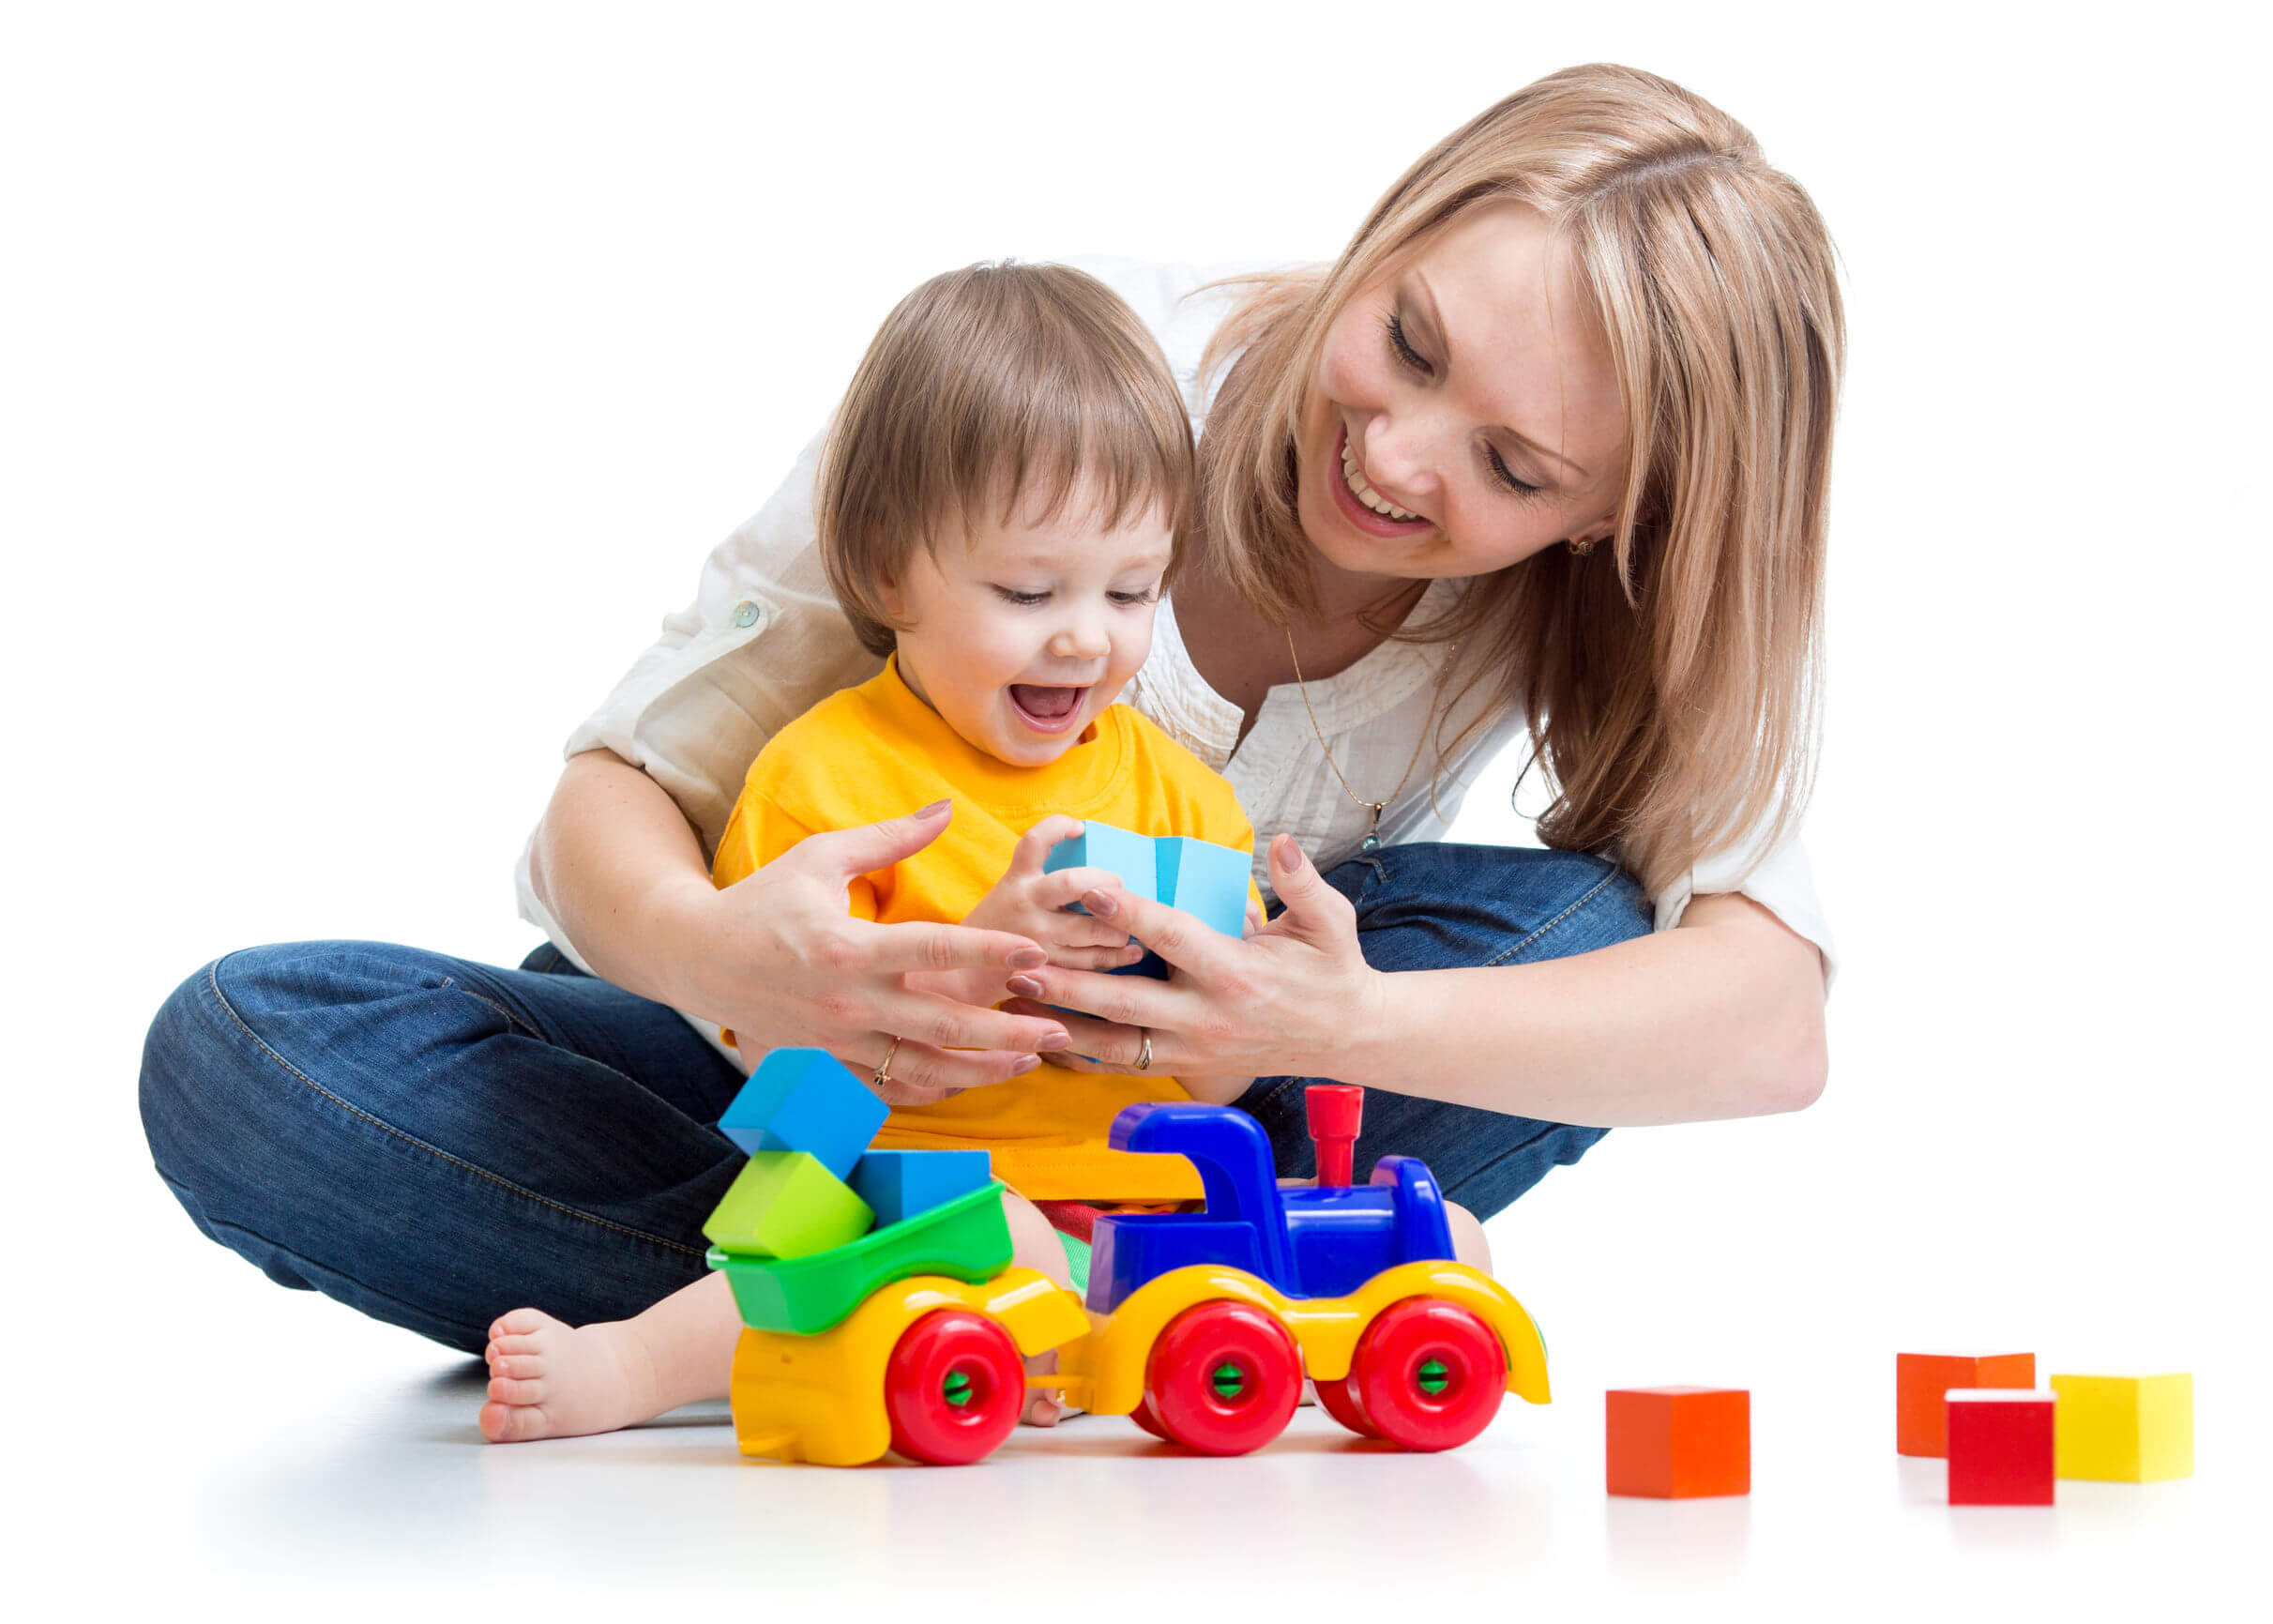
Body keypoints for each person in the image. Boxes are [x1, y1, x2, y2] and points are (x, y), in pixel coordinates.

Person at [139, 65, 1840, 1386]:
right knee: (252, 1052)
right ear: (1389, 228)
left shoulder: (1610, 603)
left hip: (1160, 1118)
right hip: (793, 1067)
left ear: (1617, 517)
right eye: (1404, 342)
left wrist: (1336, 1013)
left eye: (1513, 470)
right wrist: (736, 966)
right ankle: (923, 1289)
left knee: (1570, 933)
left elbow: (1764, 1027)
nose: (1398, 457)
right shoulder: (1053, 385)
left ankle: (890, 1310)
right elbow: (613, 799)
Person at [477, 259, 1500, 1442]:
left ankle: (1107, 1336)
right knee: (978, 1234)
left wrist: (1254, 1003)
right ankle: (637, 1367)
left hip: (1125, 1185)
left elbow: (1215, 1086)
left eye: (1130, 590)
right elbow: (783, 1084)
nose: (1083, 637)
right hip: (893, 1180)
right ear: (880, 570)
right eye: (1026, 589)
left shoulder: (1182, 798)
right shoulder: (824, 782)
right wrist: (970, 965)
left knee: (1446, 1237)